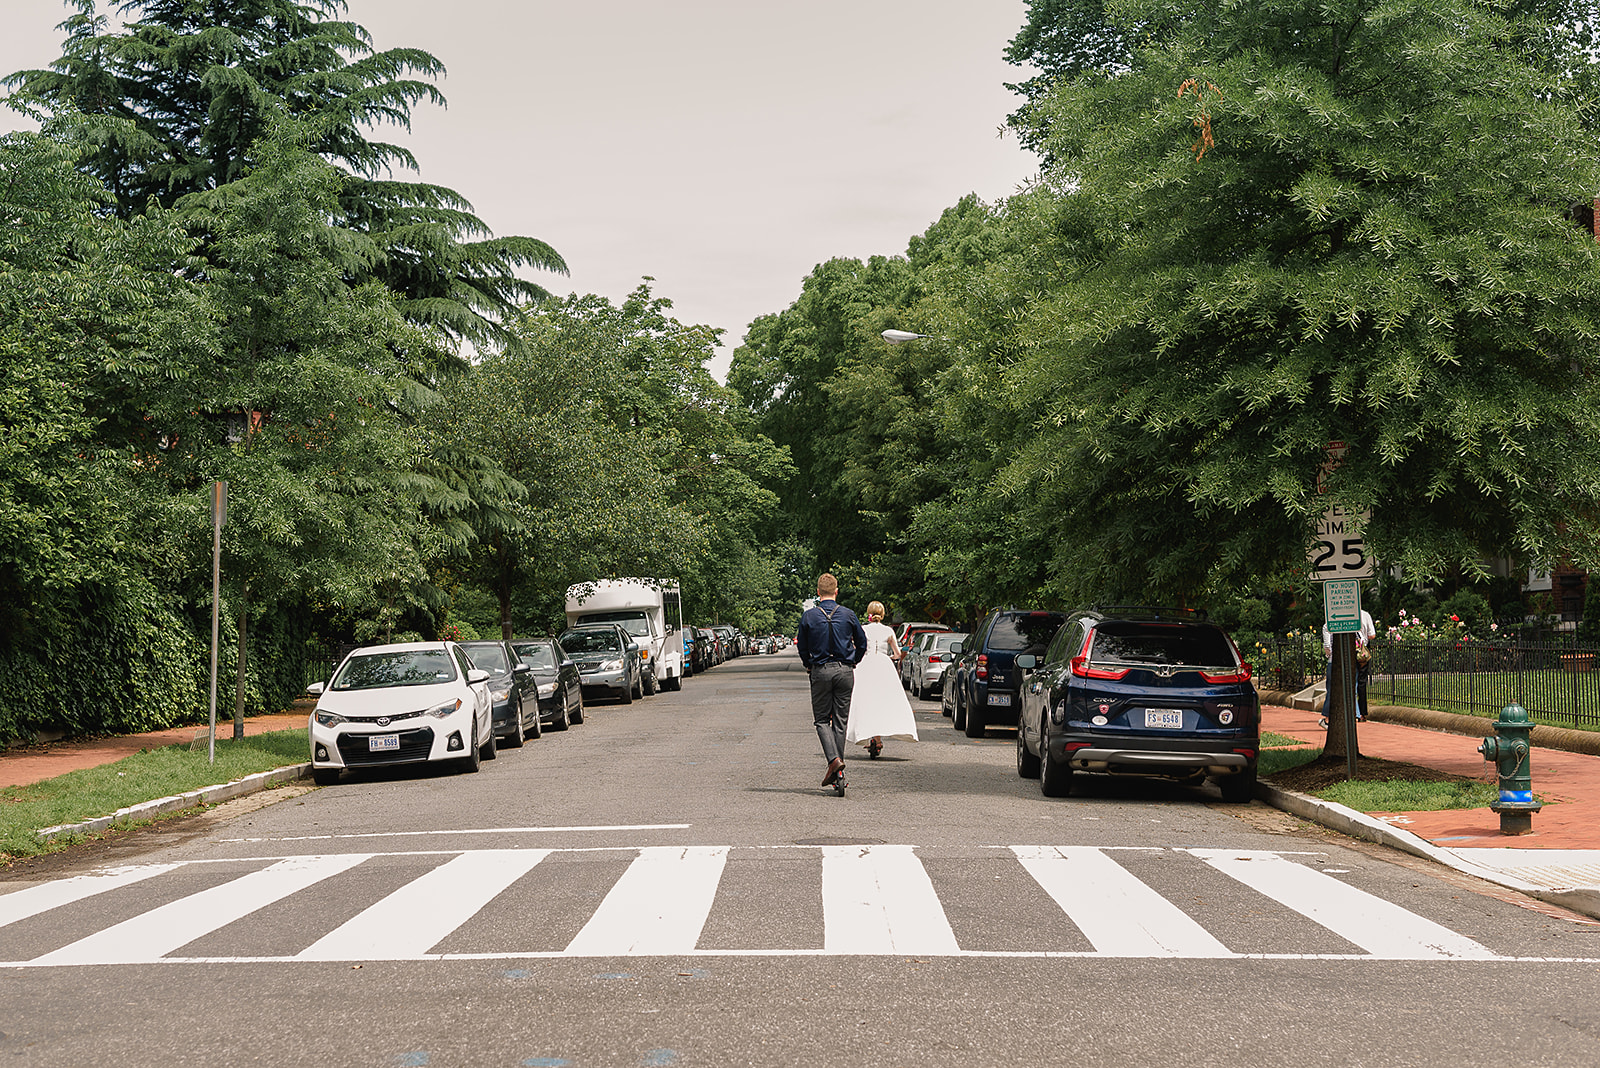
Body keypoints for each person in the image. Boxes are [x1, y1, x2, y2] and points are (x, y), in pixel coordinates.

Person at [796, 573, 868, 793]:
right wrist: (852, 661)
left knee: (821, 720)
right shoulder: (848, 614)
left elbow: (802, 647)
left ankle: (834, 761)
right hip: (845, 671)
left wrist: (809, 664)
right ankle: (838, 771)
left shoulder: (809, 617)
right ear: (837, 591)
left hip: (820, 671)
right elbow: (863, 643)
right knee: (840, 721)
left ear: (818, 593)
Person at [845, 601, 918, 758]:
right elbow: (898, 654)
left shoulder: (863, 630)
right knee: (883, 700)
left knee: (866, 700)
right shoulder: (888, 630)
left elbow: (856, 648)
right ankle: (877, 737)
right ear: (883, 613)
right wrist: (889, 657)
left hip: (865, 665)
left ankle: (870, 735)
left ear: (869, 613)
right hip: (884, 666)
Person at [1319, 608, 1376, 728]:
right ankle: (1356, 714)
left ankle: (1328, 718)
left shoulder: (1327, 627)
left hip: (1333, 661)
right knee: (1353, 687)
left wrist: (1330, 655)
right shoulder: (1353, 624)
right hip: (1353, 660)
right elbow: (1368, 637)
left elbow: (1327, 646)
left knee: (1332, 689)